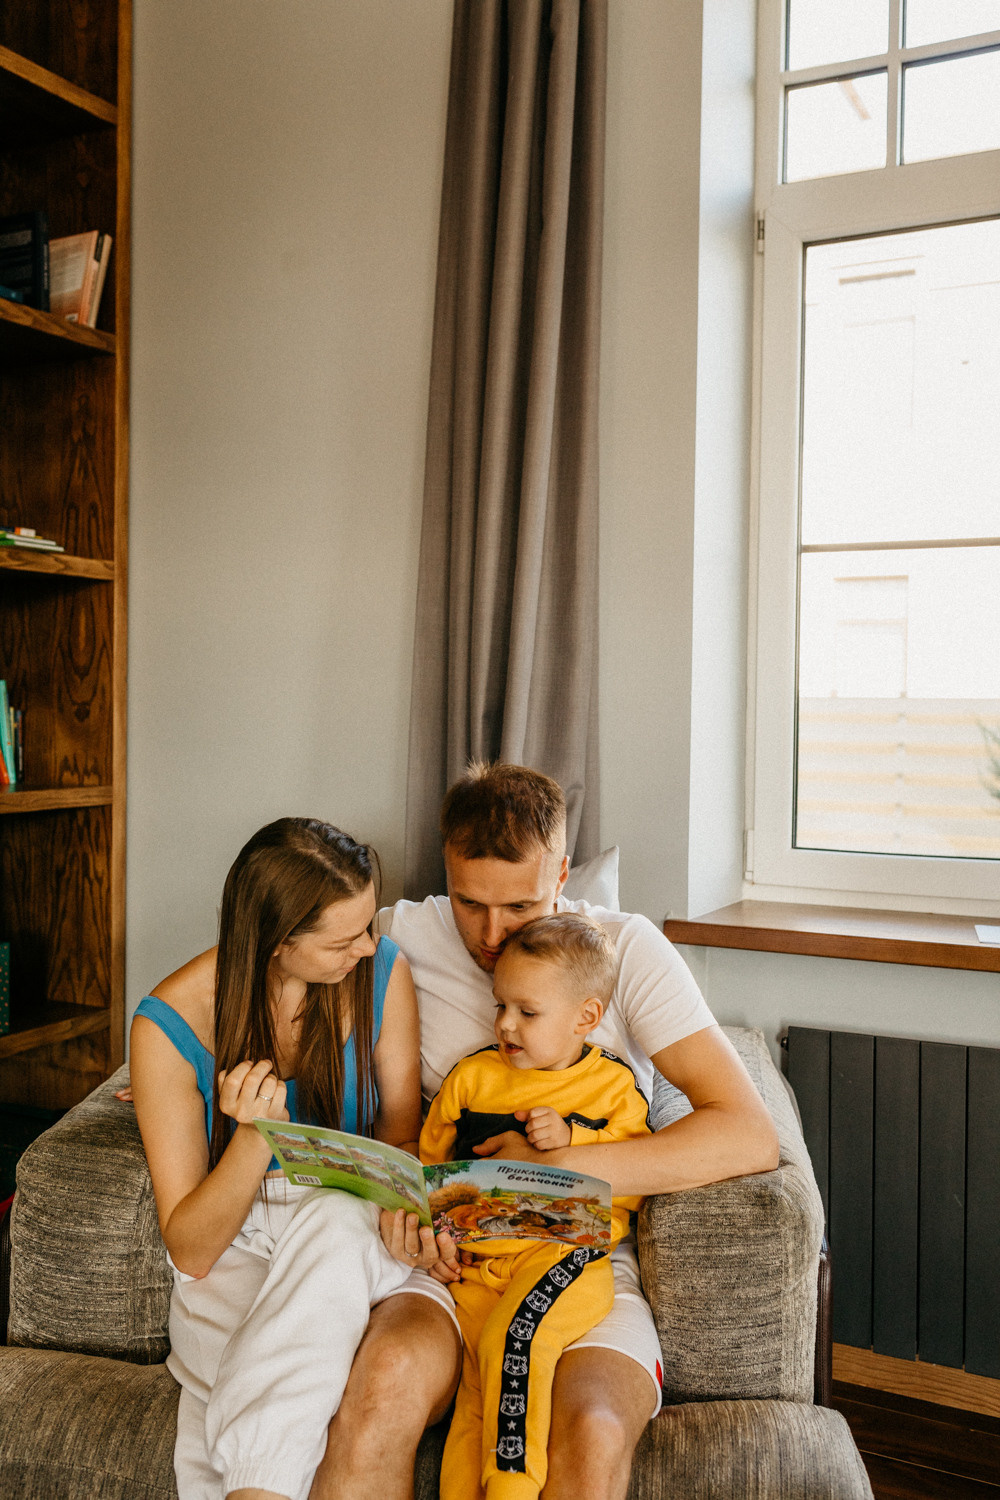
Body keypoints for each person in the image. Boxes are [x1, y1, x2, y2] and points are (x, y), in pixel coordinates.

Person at [334, 761, 779, 1500]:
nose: (491, 933)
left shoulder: (623, 950)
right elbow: (270, 966)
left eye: (519, 905)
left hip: (580, 1257)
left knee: (591, 1433)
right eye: (469, 902)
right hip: (451, 1260)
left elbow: (746, 1134)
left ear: (563, 871)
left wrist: (561, 1170)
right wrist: (177, 1062)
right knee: (381, 1390)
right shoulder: (400, 936)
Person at [128, 817, 441, 1500]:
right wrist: (253, 1137)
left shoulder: (381, 975)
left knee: (329, 1219)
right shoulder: (167, 1026)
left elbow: (401, 1143)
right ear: (276, 944)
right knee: (268, 1373)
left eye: (368, 926)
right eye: (343, 939)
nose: (366, 948)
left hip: (355, 1221)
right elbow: (193, 1251)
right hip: (238, 1236)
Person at [419, 912, 652, 1500]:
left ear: (586, 1018)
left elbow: (635, 1181)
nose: (505, 1025)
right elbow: (426, 1171)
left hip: (565, 1255)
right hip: (476, 1266)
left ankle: (513, 1489)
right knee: (475, 1386)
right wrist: (432, 1233)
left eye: (527, 1012)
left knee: (514, 1340)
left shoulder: (611, 1088)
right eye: (500, 1007)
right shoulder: (471, 1078)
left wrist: (576, 1145)